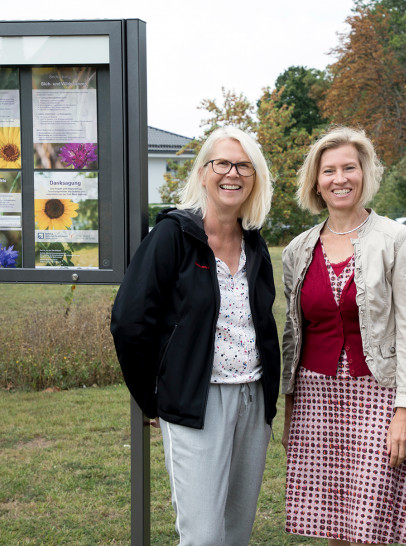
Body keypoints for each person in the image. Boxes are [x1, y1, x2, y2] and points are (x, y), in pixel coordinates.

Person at [110, 126, 280, 545]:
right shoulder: (173, 236)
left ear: (255, 178)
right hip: (196, 401)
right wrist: (152, 396)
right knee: (203, 536)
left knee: (236, 531)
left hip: (252, 400)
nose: (232, 173)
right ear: (203, 173)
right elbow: (130, 322)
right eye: (221, 163)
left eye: (244, 166)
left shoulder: (254, 244)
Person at [281, 126, 406, 545]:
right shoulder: (298, 249)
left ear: (365, 174)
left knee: (373, 520)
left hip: (376, 394)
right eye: (329, 171)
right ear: (316, 181)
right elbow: (294, 334)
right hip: (315, 395)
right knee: (334, 520)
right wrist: (290, 403)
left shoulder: (397, 241)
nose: (340, 178)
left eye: (350, 167)